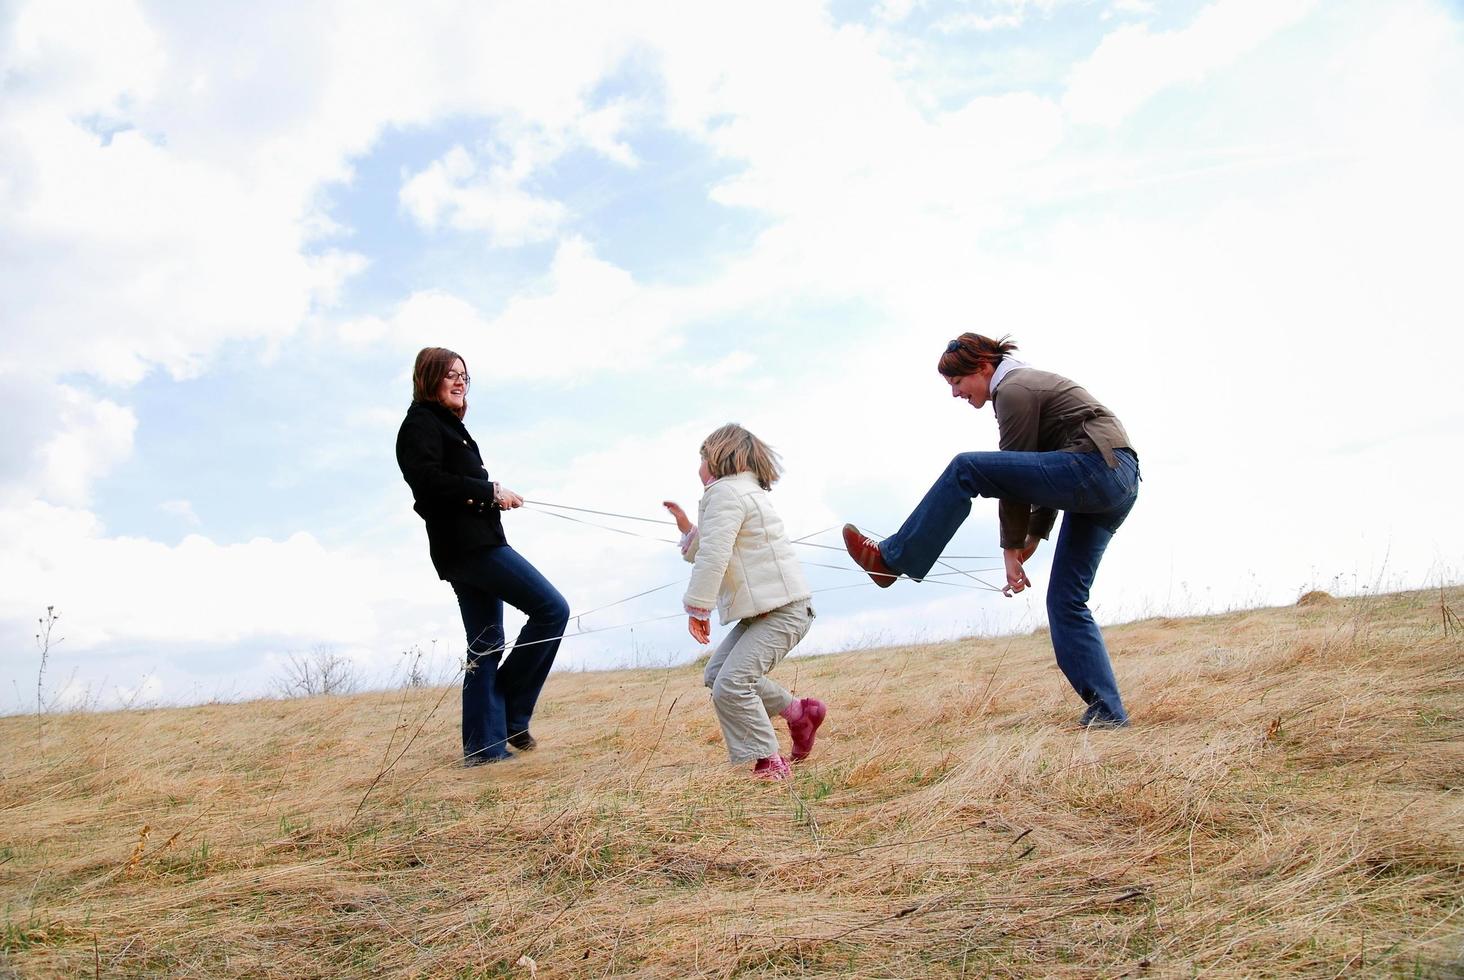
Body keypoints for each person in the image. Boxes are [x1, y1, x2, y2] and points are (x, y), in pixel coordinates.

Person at [843, 334, 1140, 728]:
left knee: (966, 468)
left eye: (957, 382)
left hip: (1098, 469)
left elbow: (1016, 479)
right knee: (1066, 601)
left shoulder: (1014, 391)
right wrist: (1031, 538)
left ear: (984, 368)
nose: (954, 393)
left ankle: (891, 559)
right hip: (1117, 481)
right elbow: (1043, 469)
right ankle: (1108, 712)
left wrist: (1010, 548)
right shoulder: (1026, 384)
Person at [395, 347, 570, 765]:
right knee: (552, 609)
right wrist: (488, 492)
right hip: (471, 548)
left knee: (485, 646)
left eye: (464, 376)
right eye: (450, 375)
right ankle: (510, 714)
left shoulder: (448, 426)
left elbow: (455, 483)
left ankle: (484, 749)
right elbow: (429, 483)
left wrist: (494, 495)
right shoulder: (419, 423)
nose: (459, 382)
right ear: (428, 378)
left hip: (471, 544)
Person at [663, 424, 827, 780]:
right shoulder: (740, 492)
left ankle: (769, 762)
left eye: (701, 458)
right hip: (772, 610)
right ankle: (800, 714)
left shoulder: (724, 493)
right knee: (718, 674)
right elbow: (709, 546)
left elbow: (714, 555)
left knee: (732, 684)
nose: (698, 467)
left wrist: (698, 607)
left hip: (782, 611)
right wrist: (686, 528)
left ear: (716, 458)